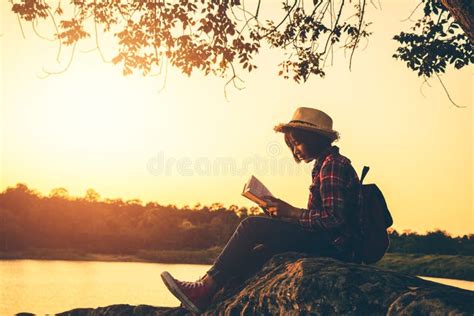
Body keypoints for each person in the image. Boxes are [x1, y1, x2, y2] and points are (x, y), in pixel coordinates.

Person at [161, 107, 363, 314]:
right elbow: (323, 218)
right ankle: (204, 297)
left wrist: (291, 212)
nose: (295, 151)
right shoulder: (324, 164)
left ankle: (204, 287)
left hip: (335, 246)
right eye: (291, 146)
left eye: (297, 143)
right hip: (326, 240)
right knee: (258, 254)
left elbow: (334, 219)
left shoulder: (332, 165)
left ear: (314, 138)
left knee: (251, 225)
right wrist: (283, 214)